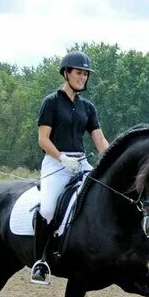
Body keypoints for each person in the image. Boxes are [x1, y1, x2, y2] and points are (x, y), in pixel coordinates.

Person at [30, 51, 110, 284]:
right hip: (56, 163)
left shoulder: (88, 107)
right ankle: (40, 262)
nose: (83, 77)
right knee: (47, 209)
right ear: (66, 73)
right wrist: (62, 157)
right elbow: (43, 139)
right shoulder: (51, 102)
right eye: (78, 72)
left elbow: (101, 141)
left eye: (85, 74)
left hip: (81, 163)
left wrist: (115, 156)